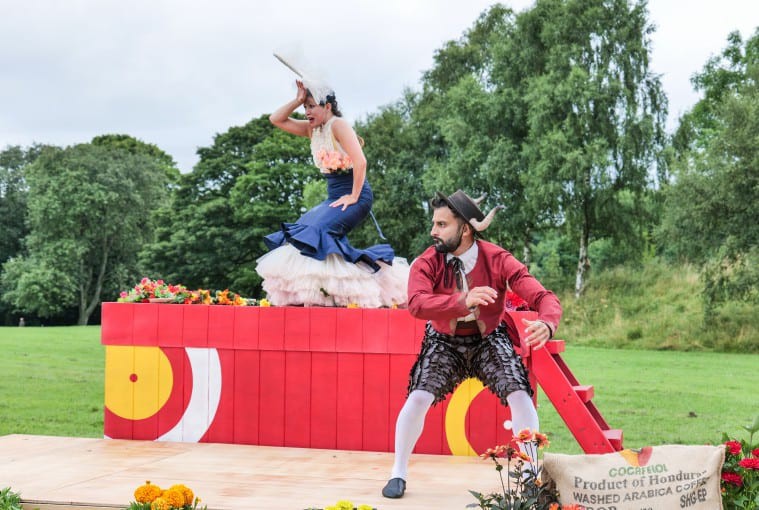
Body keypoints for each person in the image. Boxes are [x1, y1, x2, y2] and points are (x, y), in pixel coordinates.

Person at [381, 190, 562, 499]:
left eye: (441, 224)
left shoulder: (498, 258)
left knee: (520, 394)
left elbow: (543, 296)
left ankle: (531, 474)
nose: (433, 231)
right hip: (443, 341)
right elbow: (417, 304)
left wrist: (547, 322)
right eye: (434, 223)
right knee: (419, 396)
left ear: (465, 229)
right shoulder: (427, 261)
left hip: (489, 338)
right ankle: (398, 473)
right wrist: (463, 300)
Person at [257, 79, 408, 307]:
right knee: (302, 231)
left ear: (327, 106)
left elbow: (361, 162)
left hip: (355, 195)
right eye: (305, 107)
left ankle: (347, 293)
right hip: (333, 196)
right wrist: (297, 100)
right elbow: (276, 119)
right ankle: (323, 295)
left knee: (318, 231)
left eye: (311, 106)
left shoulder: (338, 125)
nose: (307, 112)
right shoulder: (312, 129)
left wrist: (354, 196)